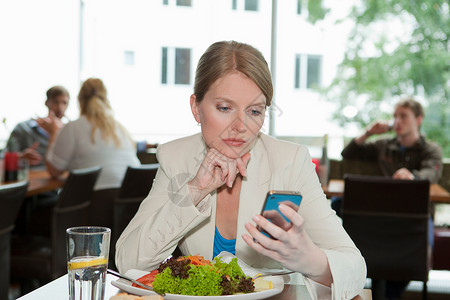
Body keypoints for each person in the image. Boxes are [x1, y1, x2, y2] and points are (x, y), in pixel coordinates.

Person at [116, 41, 366, 299]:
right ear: (196, 108)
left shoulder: (290, 161)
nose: (240, 126)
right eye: (225, 108)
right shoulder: (176, 157)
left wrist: (310, 260)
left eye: (254, 111)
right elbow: (129, 263)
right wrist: (195, 189)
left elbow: (356, 268)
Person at [336, 97, 443, 300]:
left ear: (419, 119)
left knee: (413, 253)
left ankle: (389, 294)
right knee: (340, 208)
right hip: (383, 215)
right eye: (395, 116)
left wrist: (413, 176)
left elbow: (432, 172)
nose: (397, 121)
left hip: (414, 215)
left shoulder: (430, 149)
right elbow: (348, 153)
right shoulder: (384, 145)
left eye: (403, 115)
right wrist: (369, 132)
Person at [45, 78, 141, 230]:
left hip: (94, 206)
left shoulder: (73, 127)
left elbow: (54, 169)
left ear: (79, 101)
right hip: (132, 203)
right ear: (106, 99)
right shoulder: (121, 129)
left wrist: (53, 133)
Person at [6, 86, 70, 168]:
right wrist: (20, 157)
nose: (60, 108)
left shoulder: (69, 132)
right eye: (56, 102)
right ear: (46, 103)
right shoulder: (23, 128)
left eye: (64, 103)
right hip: (30, 177)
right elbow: (4, 157)